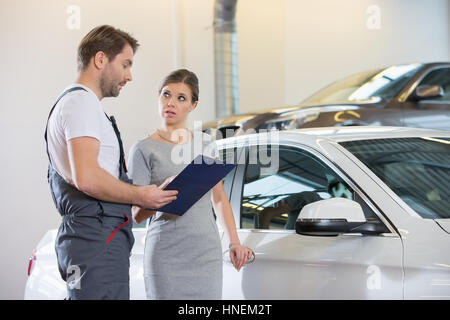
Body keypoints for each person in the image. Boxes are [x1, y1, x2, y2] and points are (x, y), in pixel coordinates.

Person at [44, 25, 178, 300]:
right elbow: (88, 178)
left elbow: (93, 180)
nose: (129, 76)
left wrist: (150, 198)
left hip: (95, 237)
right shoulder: (81, 103)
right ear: (101, 59)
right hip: (96, 240)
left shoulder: (77, 104)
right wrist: (142, 194)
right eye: (126, 64)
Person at [128, 69, 253, 300]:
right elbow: (137, 214)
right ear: (158, 97)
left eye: (181, 98)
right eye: (166, 95)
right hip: (165, 253)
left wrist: (234, 242)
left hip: (205, 252)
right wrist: (162, 193)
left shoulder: (207, 144)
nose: (171, 102)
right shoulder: (143, 149)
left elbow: (219, 198)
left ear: (193, 105)